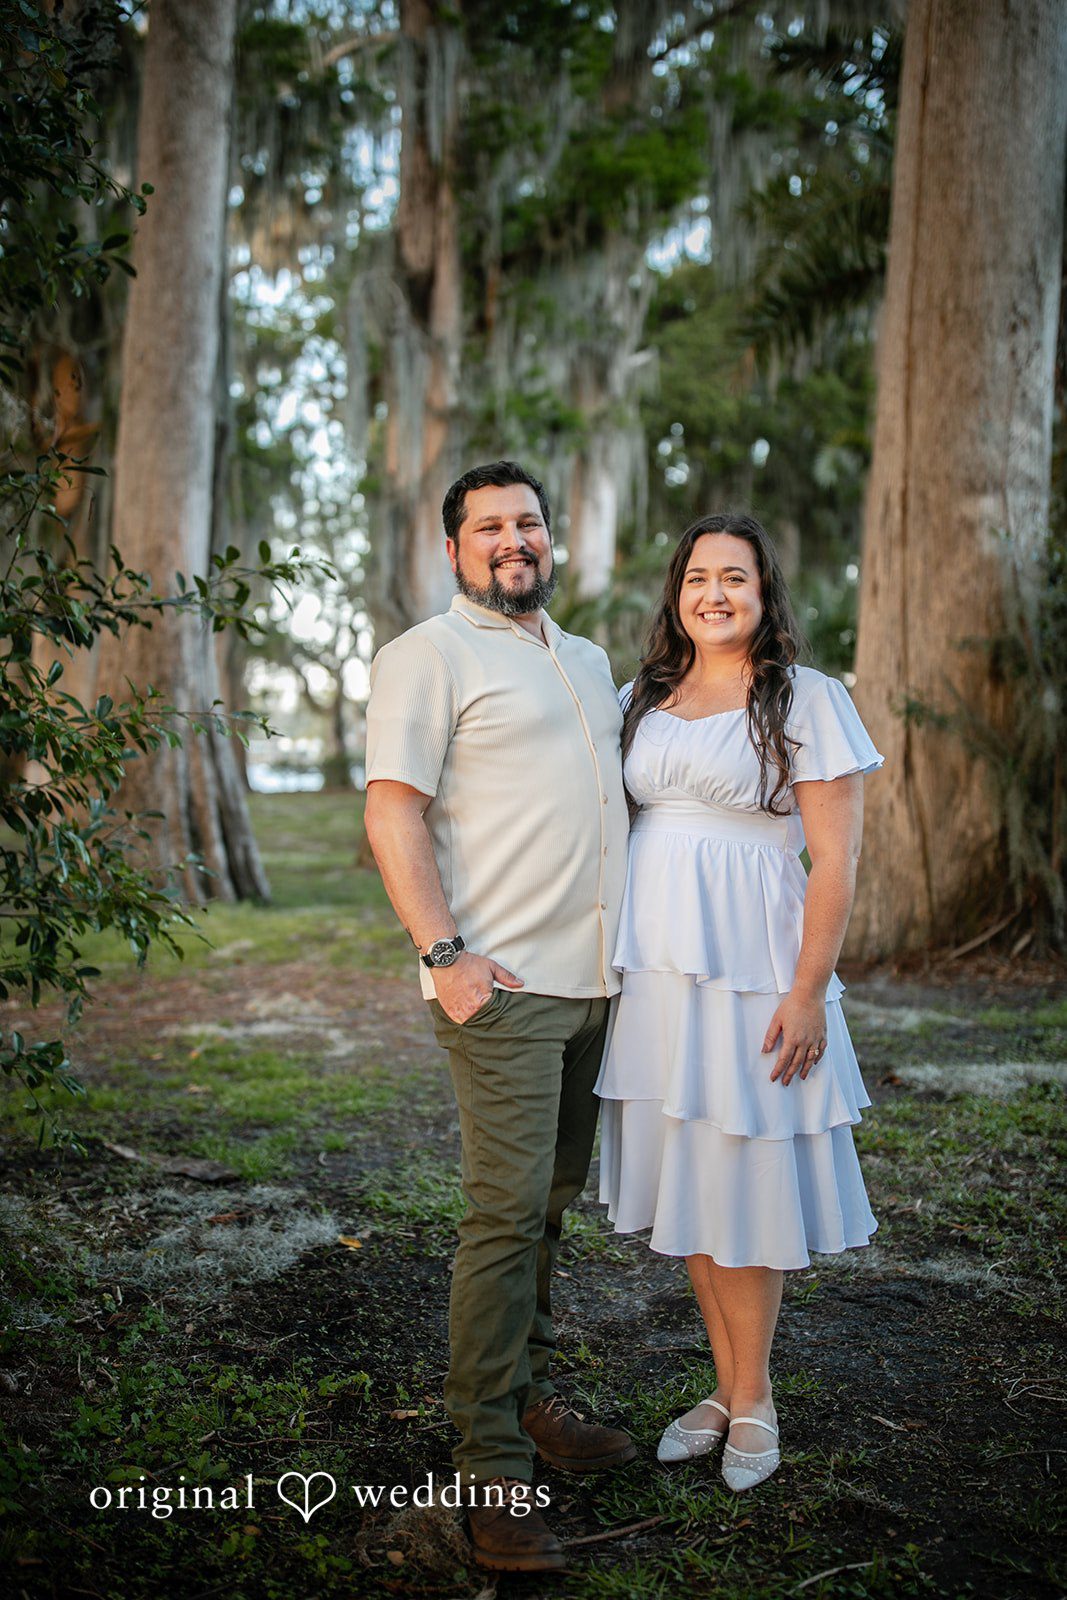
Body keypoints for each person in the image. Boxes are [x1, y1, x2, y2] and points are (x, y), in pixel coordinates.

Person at [363, 460, 635, 1574]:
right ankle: (489, 1467)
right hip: (503, 992)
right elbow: (393, 813)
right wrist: (445, 956)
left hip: (596, 989)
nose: (512, 540)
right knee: (502, 1217)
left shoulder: (588, 659)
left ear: (548, 537)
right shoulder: (426, 654)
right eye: (488, 526)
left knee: (548, 1206)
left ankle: (525, 1395)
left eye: (527, 522)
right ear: (453, 548)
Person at [595, 512, 882, 1494]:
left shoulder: (804, 697)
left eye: (733, 577)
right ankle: (722, 1389)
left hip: (754, 967)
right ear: (676, 593)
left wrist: (806, 993)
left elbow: (835, 863)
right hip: (657, 970)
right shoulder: (640, 696)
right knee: (692, 1172)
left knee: (745, 1175)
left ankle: (754, 1398)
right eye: (696, 577)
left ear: (763, 595)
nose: (712, 594)